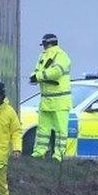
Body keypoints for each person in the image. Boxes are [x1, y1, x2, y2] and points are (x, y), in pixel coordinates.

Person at [29, 33, 72, 161]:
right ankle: (39, 153)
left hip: (59, 101)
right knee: (44, 130)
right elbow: (38, 72)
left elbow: (56, 72)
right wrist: (34, 77)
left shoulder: (61, 56)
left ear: (46, 44)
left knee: (59, 130)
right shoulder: (43, 56)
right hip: (46, 100)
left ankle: (58, 156)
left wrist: (38, 77)